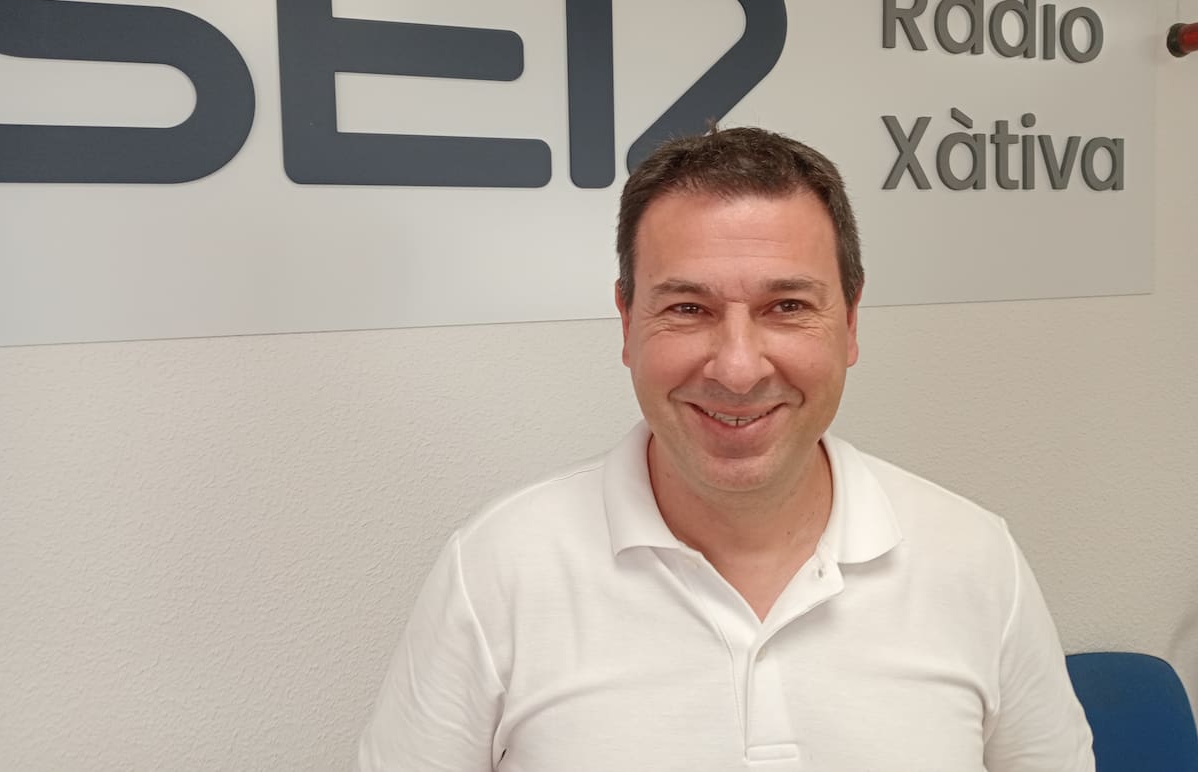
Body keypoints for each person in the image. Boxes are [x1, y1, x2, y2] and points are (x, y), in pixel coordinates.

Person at [356, 126, 1094, 771]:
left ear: (850, 322)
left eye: (787, 306)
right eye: (688, 308)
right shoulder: (496, 572)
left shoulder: (977, 560)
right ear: (626, 322)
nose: (738, 369)